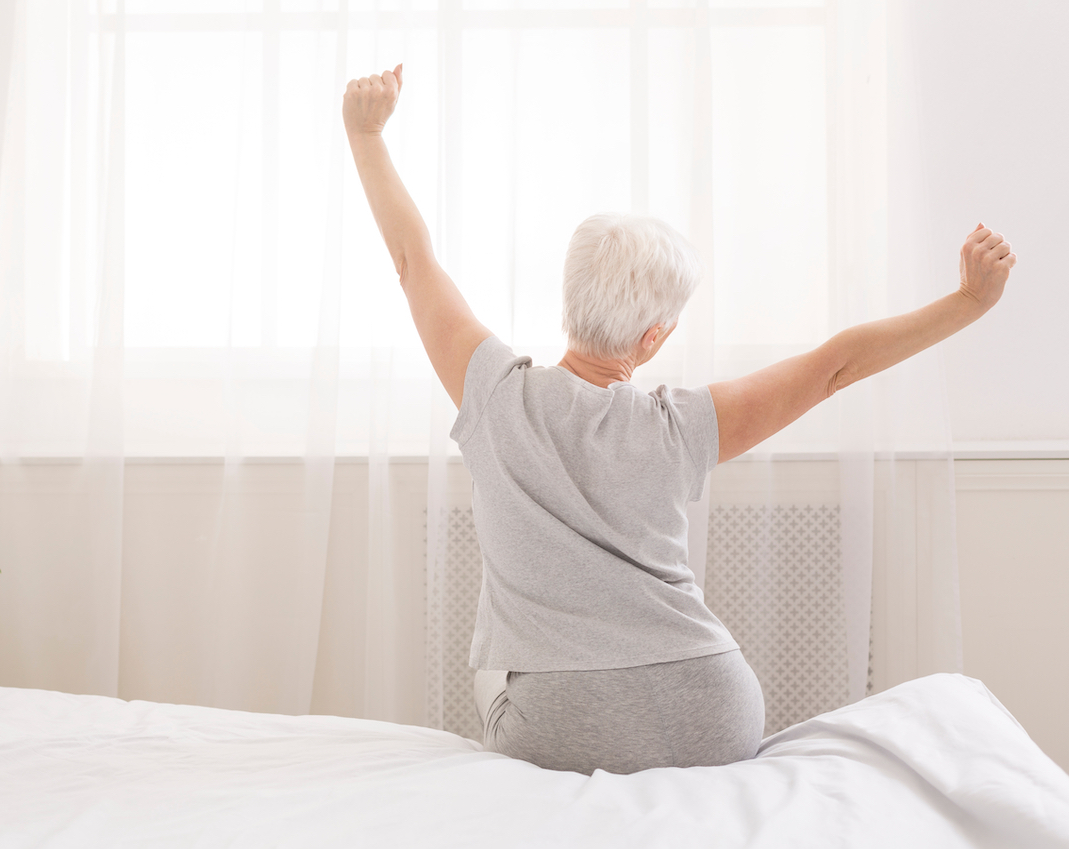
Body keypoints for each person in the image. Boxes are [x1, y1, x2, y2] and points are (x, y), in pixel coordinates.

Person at [342, 64, 1017, 775]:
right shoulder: (682, 425)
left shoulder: (494, 396)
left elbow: (413, 260)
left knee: (491, 660)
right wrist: (967, 302)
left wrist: (366, 136)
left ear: (568, 298)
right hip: (712, 709)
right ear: (652, 338)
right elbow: (833, 366)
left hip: (561, 724)